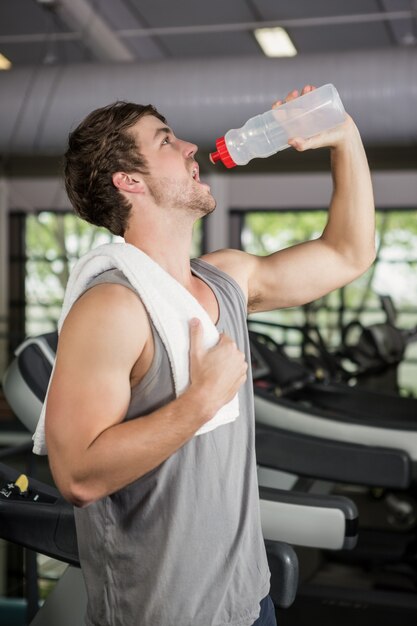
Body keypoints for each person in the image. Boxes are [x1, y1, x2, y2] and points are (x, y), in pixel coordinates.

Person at [44, 85, 375, 626]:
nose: (192, 147)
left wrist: (344, 137)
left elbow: (347, 253)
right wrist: (201, 400)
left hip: (249, 601)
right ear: (130, 181)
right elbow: (78, 475)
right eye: (167, 141)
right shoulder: (112, 307)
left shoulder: (225, 279)